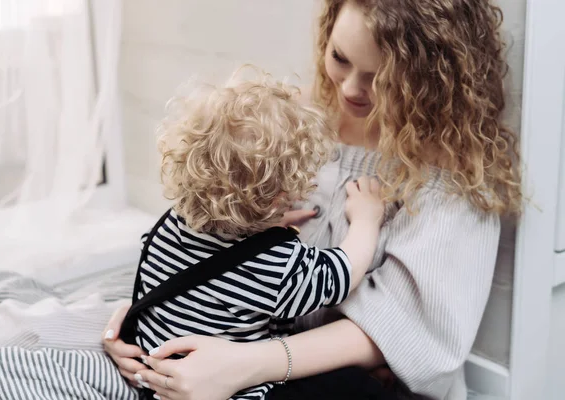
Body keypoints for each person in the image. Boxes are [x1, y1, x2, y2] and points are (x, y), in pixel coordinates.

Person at [103, 0, 522, 399]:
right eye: (340, 57)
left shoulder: (450, 179)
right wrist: (150, 312)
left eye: (381, 78)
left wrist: (243, 365)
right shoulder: (297, 122)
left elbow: (405, 330)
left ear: (429, 77)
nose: (352, 89)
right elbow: (209, 226)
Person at [126, 72, 385, 400]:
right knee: (355, 388)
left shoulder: (166, 227)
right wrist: (366, 220)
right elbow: (341, 275)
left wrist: (267, 223)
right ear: (283, 194)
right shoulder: (276, 265)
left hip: (158, 384)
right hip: (226, 392)